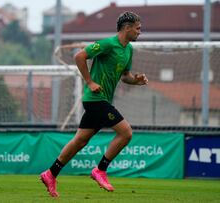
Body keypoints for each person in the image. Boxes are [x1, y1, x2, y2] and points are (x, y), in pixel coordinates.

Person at [40, 11, 148, 197]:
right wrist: (89, 82)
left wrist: (135, 80)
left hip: (102, 101)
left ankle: (51, 173)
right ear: (127, 28)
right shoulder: (107, 44)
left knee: (80, 141)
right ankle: (100, 170)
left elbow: (125, 77)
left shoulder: (128, 49)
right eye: (138, 28)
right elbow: (79, 56)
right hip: (95, 100)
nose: (140, 32)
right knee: (126, 133)